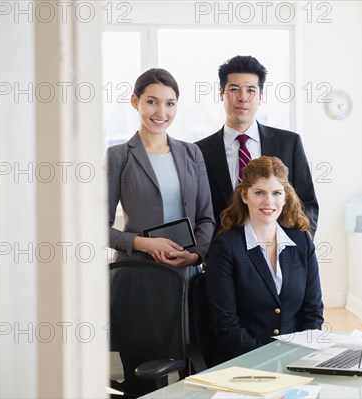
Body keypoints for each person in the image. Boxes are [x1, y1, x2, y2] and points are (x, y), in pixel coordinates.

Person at [206, 156, 324, 363]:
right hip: (244, 361)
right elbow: (226, 325)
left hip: (296, 358)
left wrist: (300, 356)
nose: (269, 201)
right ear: (244, 196)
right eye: (259, 193)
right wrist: (270, 361)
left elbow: (312, 312)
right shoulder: (225, 247)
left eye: (276, 193)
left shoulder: (301, 241)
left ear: (285, 197)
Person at [195, 55, 319, 235]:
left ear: (260, 96)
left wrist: (297, 249)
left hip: (279, 255)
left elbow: (307, 203)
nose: (243, 98)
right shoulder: (199, 151)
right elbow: (198, 212)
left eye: (251, 90)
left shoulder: (289, 143)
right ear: (221, 93)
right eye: (234, 89)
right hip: (222, 257)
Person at [106, 68, 215, 271]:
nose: (161, 112)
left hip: (185, 273)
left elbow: (206, 218)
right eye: (151, 102)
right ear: (134, 101)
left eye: (170, 104)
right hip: (136, 271)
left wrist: (193, 256)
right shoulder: (117, 156)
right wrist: (143, 243)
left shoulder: (192, 153)